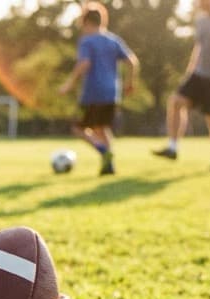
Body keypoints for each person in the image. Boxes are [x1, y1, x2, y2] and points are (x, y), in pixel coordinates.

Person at [153, 0, 210, 170]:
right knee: (175, 101)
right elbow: (198, 48)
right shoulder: (201, 20)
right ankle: (173, 147)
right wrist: (190, 71)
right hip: (199, 75)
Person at [57, 3, 138, 176]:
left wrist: (69, 83)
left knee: (78, 128)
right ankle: (109, 166)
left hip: (93, 92)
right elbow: (132, 61)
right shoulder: (113, 40)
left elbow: (84, 63)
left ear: (86, 22)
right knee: (102, 128)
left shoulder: (87, 41)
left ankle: (103, 151)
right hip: (112, 92)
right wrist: (130, 83)